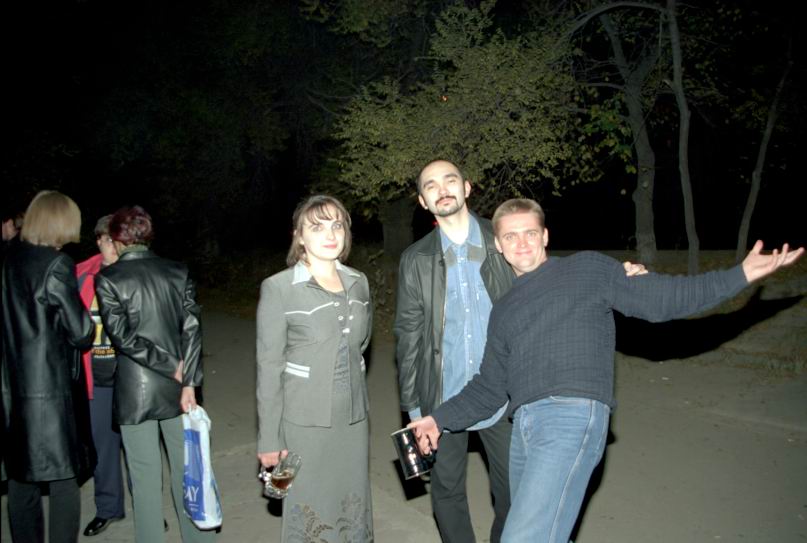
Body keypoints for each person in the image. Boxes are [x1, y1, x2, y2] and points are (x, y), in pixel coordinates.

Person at [409, 198, 804, 542]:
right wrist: (437, 419)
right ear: (498, 245)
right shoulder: (504, 310)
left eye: (530, 233)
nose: (522, 243)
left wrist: (739, 275)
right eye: (511, 236)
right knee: (545, 529)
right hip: (523, 428)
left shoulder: (586, 270)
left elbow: (663, 299)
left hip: (569, 415)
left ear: (545, 236)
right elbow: (489, 387)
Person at [394, 160, 645, 542]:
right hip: (442, 394)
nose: (442, 189)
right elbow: (408, 335)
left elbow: (549, 277)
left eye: (450, 180)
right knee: (446, 491)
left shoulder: (502, 240)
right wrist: (414, 407)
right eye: (431, 185)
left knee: (515, 493)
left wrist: (617, 276)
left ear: (467, 187)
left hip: (501, 390)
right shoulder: (415, 259)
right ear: (422, 201)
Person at [94, 206, 215, 543]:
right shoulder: (177, 271)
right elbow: (192, 329)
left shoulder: (108, 278)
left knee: (145, 478)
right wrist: (188, 379)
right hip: (179, 389)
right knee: (187, 470)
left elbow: (123, 338)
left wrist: (171, 366)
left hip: (135, 390)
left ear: (118, 239)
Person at [257, 195, 373, 542]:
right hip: (304, 421)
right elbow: (269, 366)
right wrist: (270, 438)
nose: (330, 234)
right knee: (310, 503)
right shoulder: (279, 288)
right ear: (299, 236)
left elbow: (361, 345)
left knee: (351, 499)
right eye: (317, 227)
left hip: (353, 418)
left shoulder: (359, 282)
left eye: (337, 225)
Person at [1, 190, 95, 543]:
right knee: (64, 478)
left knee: (21, 478)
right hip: (48, 393)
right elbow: (81, 332)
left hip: (12, 389)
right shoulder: (56, 265)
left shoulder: (9, 259)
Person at [75, 215, 126, 536]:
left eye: (117, 240)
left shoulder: (134, 270)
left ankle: (147, 506)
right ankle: (109, 508)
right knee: (102, 444)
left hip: (130, 374)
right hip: (95, 372)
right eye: (107, 240)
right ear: (98, 241)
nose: (112, 247)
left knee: (137, 446)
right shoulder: (81, 274)